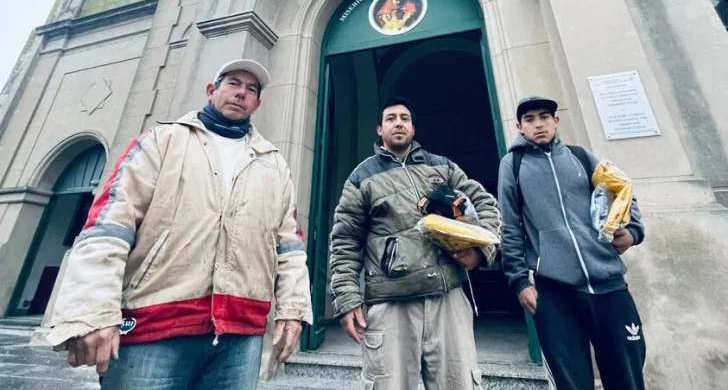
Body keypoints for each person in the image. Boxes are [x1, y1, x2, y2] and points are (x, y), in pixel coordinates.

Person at [47, 59, 313, 390]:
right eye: (233, 83)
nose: (242, 92)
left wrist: (292, 307)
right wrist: (92, 310)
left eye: (251, 89)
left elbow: (288, 245)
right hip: (152, 329)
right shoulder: (160, 141)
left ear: (257, 103)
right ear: (211, 90)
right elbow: (109, 227)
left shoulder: (273, 164)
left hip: (240, 337)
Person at [329, 98, 502, 390]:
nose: (399, 123)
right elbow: (345, 240)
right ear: (379, 129)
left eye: (405, 118)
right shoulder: (361, 178)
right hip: (390, 301)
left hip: (447, 296)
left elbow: (483, 202)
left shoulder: (443, 167)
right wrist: (346, 298)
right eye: (391, 118)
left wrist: (482, 251)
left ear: (413, 127)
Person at [498, 96, 646, 390]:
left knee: (627, 378)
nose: (538, 124)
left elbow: (624, 193)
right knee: (572, 382)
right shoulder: (513, 165)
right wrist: (519, 281)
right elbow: (510, 227)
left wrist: (632, 232)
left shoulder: (582, 157)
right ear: (519, 127)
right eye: (529, 119)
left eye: (544, 116)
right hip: (555, 293)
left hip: (610, 287)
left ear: (556, 120)